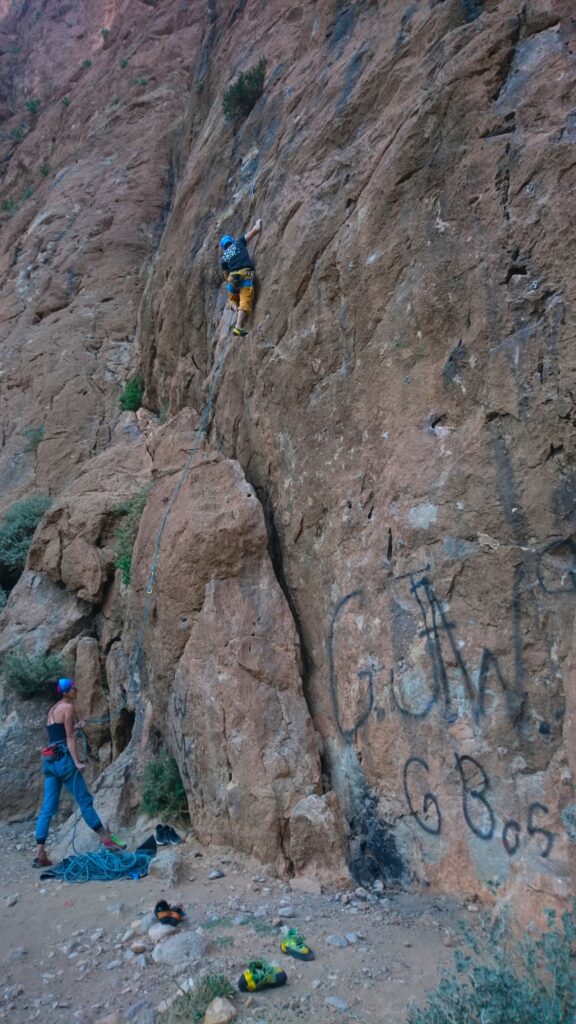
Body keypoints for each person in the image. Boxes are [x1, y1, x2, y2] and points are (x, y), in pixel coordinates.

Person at [33, 678, 125, 868]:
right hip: (64, 761)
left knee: (47, 808)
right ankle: (108, 841)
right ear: (67, 692)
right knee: (85, 800)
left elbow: (57, 734)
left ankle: (39, 853)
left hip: (50, 762)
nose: (76, 690)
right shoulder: (68, 707)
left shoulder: (53, 709)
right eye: (74, 688)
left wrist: (74, 727)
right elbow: (68, 738)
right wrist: (77, 762)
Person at [220, 218, 262, 336]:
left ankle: (235, 307)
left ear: (224, 247)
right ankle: (238, 326)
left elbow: (225, 275)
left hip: (232, 277)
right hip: (245, 274)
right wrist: (257, 222)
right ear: (232, 241)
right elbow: (255, 230)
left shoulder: (223, 258)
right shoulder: (239, 242)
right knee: (245, 299)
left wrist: (230, 284)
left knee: (232, 297)